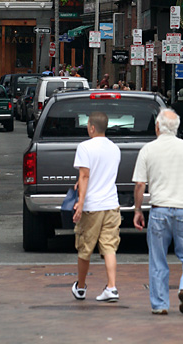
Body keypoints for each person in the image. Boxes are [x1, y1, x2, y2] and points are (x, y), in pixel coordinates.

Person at [133, 109, 183, 315]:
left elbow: (140, 184)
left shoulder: (148, 150)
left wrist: (138, 210)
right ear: (176, 127)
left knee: (158, 258)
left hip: (159, 209)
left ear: (157, 126)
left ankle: (160, 304)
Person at [71, 111, 121, 303]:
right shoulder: (115, 148)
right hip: (111, 204)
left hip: (92, 205)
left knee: (85, 247)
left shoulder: (85, 147)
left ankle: (81, 287)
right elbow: (103, 173)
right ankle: (111, 287)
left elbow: (85, 175)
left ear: (92, 127)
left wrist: (80, 202)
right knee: (109, 247)